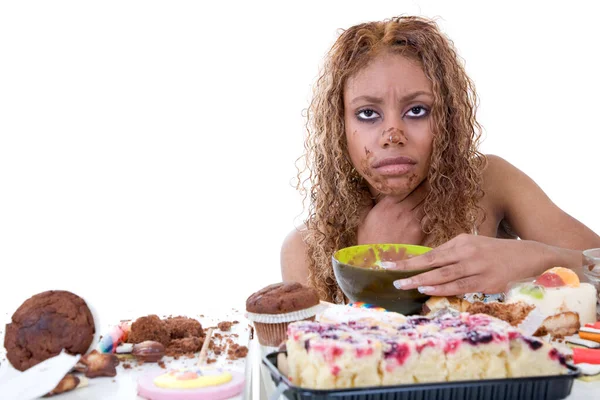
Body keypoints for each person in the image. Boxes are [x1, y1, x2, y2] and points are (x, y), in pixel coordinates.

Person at [280, 16, 600, 304]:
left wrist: (532, 259)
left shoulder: (489, 183)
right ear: (339, 127)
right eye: (367, 114)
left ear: (447, 119)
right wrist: (373, 265)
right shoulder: (303, 249)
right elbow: (316, 360)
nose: (393, 134)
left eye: (417, 110)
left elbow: (594, 265)